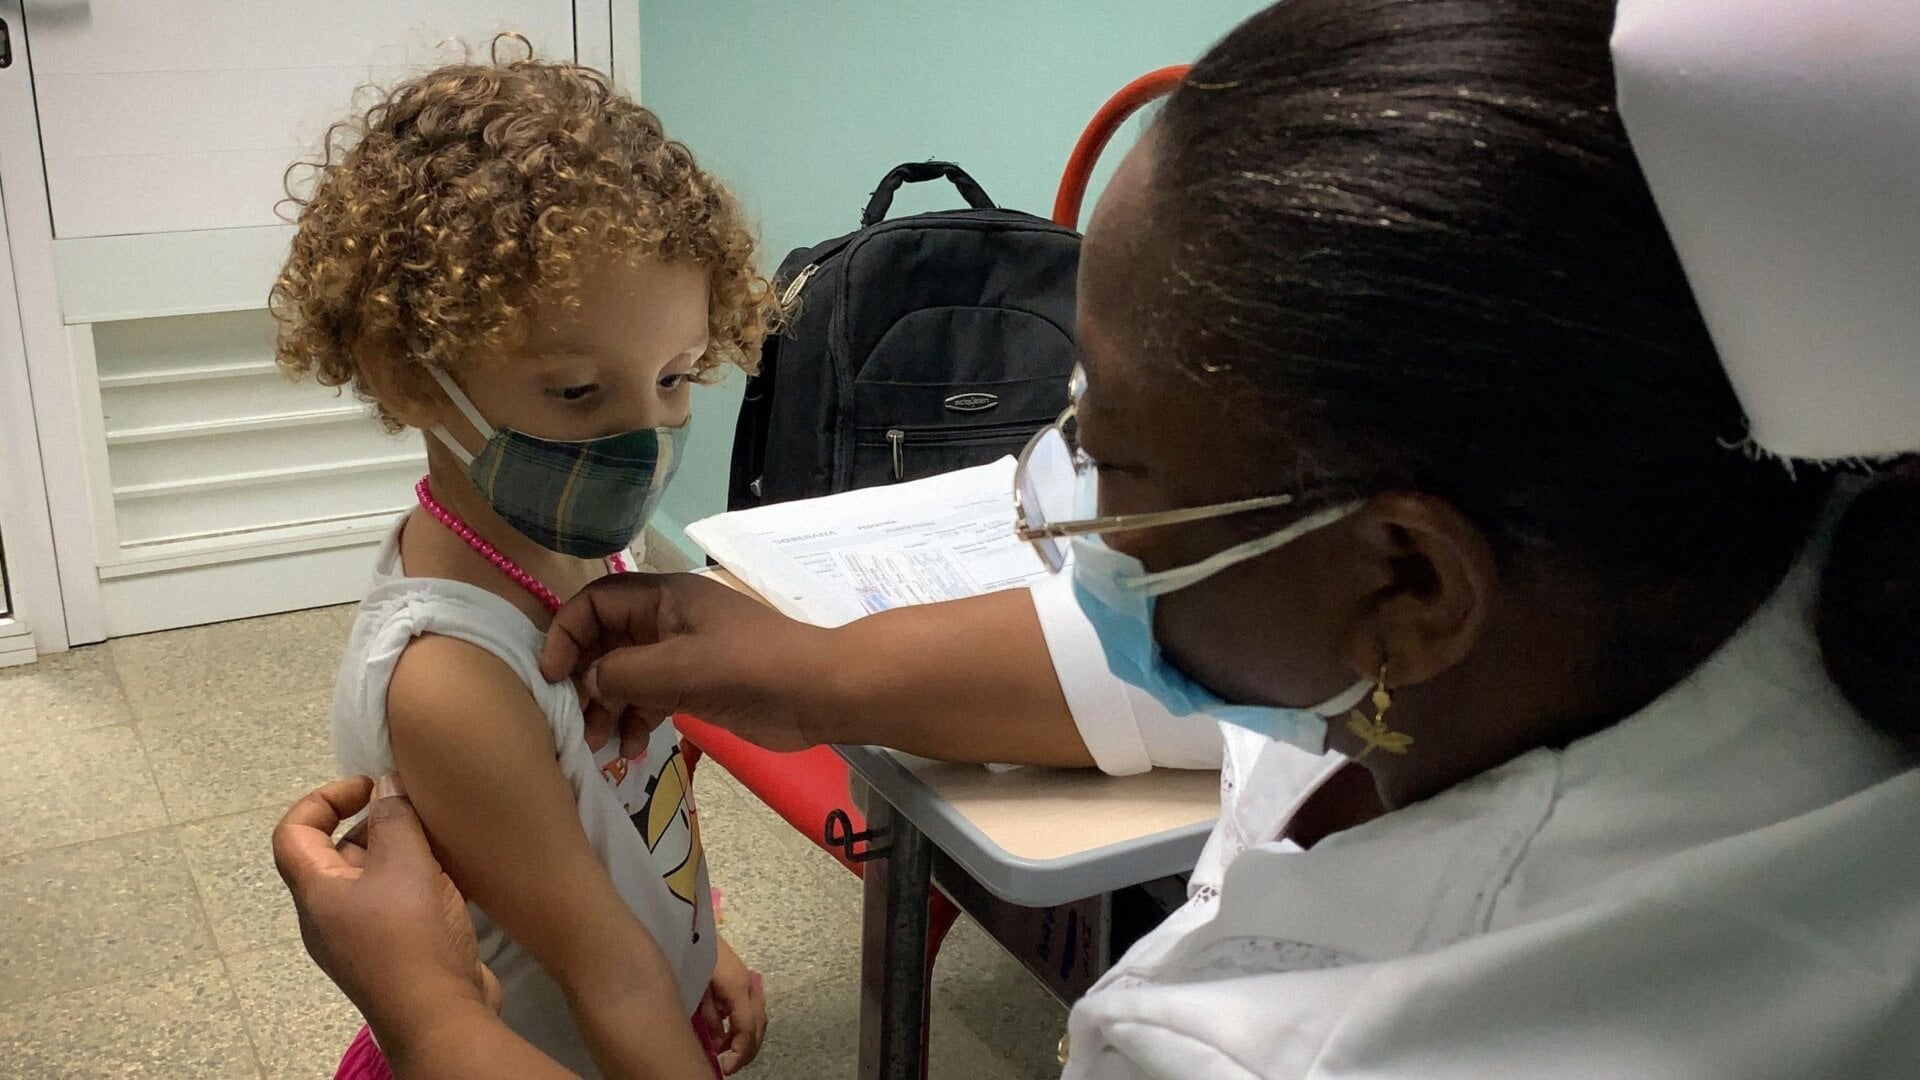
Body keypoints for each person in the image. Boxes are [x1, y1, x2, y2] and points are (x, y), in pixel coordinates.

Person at [277, 1, 1920, 1076]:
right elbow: (1185, 671)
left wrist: (425, 1005)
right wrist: (823, 671)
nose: (1055, 498)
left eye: (1115, 451)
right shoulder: (1699, 559)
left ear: (1405, 582)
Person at [270, 46, 774, 1079]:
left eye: (676, 377)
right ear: (408, 377)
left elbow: (617, 818)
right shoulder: (455, 677)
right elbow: (606, 976)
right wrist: (655, 980)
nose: (645, 436)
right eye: (580, 394)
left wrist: (698, 942)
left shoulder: (583, 542)